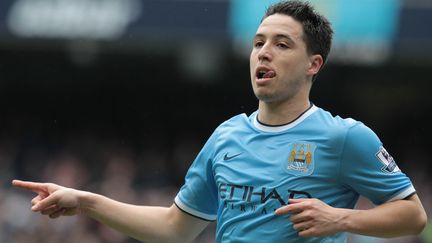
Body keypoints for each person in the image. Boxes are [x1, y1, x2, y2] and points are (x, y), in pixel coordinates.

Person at [12, 1, 427, 242]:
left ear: (313, 64)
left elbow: (412, 216)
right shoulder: (226, 136)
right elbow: (177, 227)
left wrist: (341, 219)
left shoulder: (345, 137)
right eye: (258, 43)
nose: (264, 53)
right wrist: (85, 201)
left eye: (282, 44)